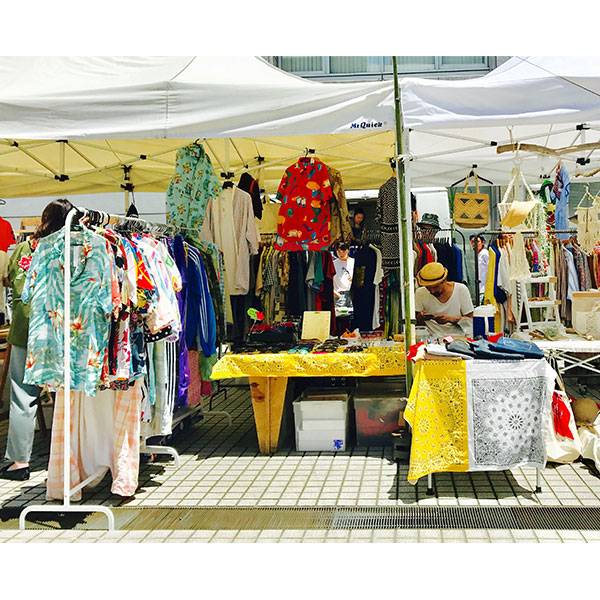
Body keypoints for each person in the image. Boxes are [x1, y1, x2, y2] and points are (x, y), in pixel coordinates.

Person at [1, 198, 74, 481]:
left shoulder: (26, 248)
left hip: (25, 329)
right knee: (66, 395)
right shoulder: (72, 248)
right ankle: (67, 459)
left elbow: (11, 281)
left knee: (23, 396)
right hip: (60, 331)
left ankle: (20, 463)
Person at [415, 261, 474, 339]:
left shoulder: (461, 290)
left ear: (445, 280)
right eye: (428, 287)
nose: (432, 291)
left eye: (435, 287)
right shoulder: (420, 293)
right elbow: (416, 323)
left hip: (458, 339)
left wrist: (450, 319)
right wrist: (421, 316)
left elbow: (470, 321)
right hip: (432, 339)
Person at [333, 242, 354, 312]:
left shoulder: (354, 262)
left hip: (352, 293)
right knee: (339, 316)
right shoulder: (333, 264)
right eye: (339, 251)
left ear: (348, 250)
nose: (341, 253)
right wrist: (335, 293)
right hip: (339, 294)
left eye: (344, 251)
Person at [470, 233, 489, 298]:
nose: (474, 244)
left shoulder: (485, 254)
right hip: (481, 289)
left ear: (483, 242)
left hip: (485, 289)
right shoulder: (478, 255)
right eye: (472, 242)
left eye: (477, 241)